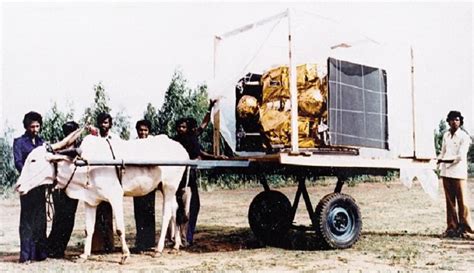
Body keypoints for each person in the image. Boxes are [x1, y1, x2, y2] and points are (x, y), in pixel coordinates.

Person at [174, 99, 227, 246]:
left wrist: (210, 107)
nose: (180, 129)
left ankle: (187, 237)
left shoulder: (192, 137)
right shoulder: (177, 141)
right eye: (179, 127)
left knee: (193, 207)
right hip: (182, 179)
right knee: (184, 208)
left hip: (191, 178)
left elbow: (204, 126)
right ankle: (182, 238)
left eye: (183, 127)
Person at [13, 111, 48, 263]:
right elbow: (18, 162)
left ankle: (39, 254)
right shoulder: (19, 142)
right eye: (32, 126)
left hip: (40, 187)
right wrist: (29, 175)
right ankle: (26, 255)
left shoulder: (42, 143)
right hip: (27, 186)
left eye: (37, 126)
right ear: (27, 126)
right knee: (27, 220)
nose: (35, 129)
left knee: (40, 219)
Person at [46, 121, 80, 258]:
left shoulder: (77, 149)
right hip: (59, 189)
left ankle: (60, 249)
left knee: (69, 219)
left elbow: (76, 152)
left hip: (74, 188)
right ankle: (53, 248)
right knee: (59, 219)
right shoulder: (57, 148)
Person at [438, 110, 473, 239]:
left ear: (460, 121)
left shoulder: (464, 136)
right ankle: (452, 228)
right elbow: (442, 152)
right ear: (448, 121)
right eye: (452, 120)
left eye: (457, 119)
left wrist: (443, 160)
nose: (454, 122)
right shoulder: (446, 135)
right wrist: (436, 161)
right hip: (446, 173)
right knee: (450, 203)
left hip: (458, 173)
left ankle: (467, 230)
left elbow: (460, 157)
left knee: (463, 202)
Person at [91, 112, 118, 253]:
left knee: (108, 213)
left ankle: (110, 245)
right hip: (96, 181)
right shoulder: (94, 140)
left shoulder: (115, 139)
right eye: (101, 123)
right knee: (96, 213)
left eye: (106, 123)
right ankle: (97, 246)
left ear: (110, 124)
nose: (104, 125)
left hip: (110, 180)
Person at [133, 119, 156, 252]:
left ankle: (150, 242)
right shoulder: (134, 143)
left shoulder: (152, 144)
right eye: (141, 130)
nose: (143, 132)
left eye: (145, 130)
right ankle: (140, 243)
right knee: (139, 212)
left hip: (150, 180)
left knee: (149, 211)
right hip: (137, 181)